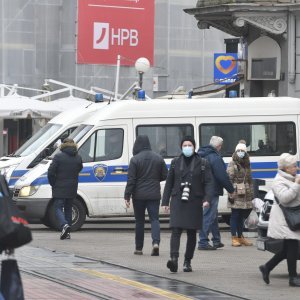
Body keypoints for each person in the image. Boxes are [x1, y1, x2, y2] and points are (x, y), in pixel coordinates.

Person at [162, 136, 213, 273]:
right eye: (185, 145)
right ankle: (174, 259)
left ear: (194, 147)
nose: (187, 147)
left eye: (189, 145)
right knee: (176, 230)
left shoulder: (203, 163)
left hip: (194, 200)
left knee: (191, 232)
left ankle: (187, 261)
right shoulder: (175, 162)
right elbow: (169, 183)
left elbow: (209, 182)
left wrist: (207, 198)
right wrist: (165, 202)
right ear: (181, 147)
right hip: (178, 199)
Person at [259, 153, 300, 287]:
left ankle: (267, 267)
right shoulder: (278, 181)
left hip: (291, 217)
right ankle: (293, 278)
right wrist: (296, 185)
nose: (297, 168)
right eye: (294, 166)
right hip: (285, 219)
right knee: (292, 246)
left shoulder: (294, 178)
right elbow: (285, 198)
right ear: (286, 168)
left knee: (287, 249)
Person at [124, 135, 168, 256]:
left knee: (139, 221)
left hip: (138, 195)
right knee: (154, 219)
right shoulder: (158, 158)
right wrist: (154, 180)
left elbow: (131, 180)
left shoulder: (135, 159)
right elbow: (165, 175)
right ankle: (156, 243)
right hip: (154, 194)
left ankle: (139, 248)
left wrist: (127, 196)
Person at [198, 136, 234, 250]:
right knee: (208, 215)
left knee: (212, 216)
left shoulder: (201, 154)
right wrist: (231, 190)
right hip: (212, 190)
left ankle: (216, 240)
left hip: (204, 189)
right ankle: (203, 242)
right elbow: (222, 176)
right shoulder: (215, 157)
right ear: (218, 146)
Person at [48, 138, 83, 240]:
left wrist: (53, 183)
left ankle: (64, 225)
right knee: (68, 208)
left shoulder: (58, 157)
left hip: (59, 186)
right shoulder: (78, 157)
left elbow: (51, 172)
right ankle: (67, 233)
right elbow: (79, 168)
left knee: (57, 207)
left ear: (63, 145)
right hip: (72, 186)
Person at [227, 141, 254, 247]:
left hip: (245, 194)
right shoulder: (232, 163)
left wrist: (251, 194)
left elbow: (249, 180)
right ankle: (234, 237)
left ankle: (240, 236)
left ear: (245, 152)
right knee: (235, 215)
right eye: (238, 150)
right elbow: (229, 179)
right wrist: (232, 192)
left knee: (241, 216)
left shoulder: (247, 164)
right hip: (236, 193)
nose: (240, 152)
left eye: (242, 151)